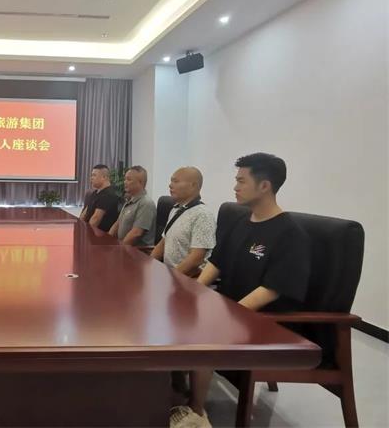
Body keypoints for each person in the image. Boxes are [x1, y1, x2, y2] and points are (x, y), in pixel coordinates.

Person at [170, 153, 311, 428]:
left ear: (264, 186)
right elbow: (216, 263)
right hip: (230, 308)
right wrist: (193, 293)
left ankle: (197, 412)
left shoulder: (290, 234)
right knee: (177, 308)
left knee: (204, 330)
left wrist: (228, 314)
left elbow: (271, 290)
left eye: (241, 181)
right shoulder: (241, 222)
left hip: (263, 322)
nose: (235, 187)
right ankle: (172, 386)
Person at [151, 167, 216, 277]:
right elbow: (163, 242)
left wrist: (170, 277)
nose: (170, 185)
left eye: (175, 181)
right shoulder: (175, 209)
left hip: (187, 278)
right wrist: (148, 265)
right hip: (169, 274)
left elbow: (196, 258)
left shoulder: (202, 215)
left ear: (193, 185)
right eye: (171, 181)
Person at [108, 165, 156, 248]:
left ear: (140, 182)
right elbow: (117, 224)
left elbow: (136, 233)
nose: (125, 182)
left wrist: (119, 249)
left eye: (129, 179)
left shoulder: (146, 203)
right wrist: (106, 242)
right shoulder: (129, 201)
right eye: (125, 179)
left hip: (137, 251)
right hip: (124, 247)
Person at [79, 164, 121, 232]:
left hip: (100, 235)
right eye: (91, 175)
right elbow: (85, 213)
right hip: (88, 231)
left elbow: (96, 219)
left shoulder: (109, 195)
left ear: (104, 177)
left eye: (94, 175)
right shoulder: (94, 193)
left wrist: (86, 233)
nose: (91, 178)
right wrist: (78, 227)